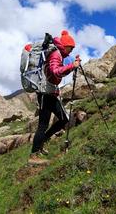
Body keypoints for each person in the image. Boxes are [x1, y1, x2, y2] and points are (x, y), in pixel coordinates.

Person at [29, 30, 81, 165]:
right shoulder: (55, 54)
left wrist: (71, 66)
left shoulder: (58, 54)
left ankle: (43, 141)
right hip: (45, 94)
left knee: (64, 119)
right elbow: (54, 71)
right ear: (65, 45)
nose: (71, 51)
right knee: (43, 125)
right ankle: (33, 155)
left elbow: (56, 74)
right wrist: (72, 66)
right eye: (70, 47)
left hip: (51, 93)